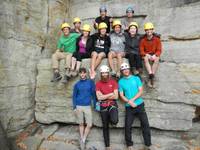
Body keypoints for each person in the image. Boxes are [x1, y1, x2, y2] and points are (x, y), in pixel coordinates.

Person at [118, 63, 156, 150]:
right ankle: (129, 145)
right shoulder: (120, 82)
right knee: (127, 126)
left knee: (145, 124)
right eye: (124, 70)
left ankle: (148, 144)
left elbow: (141, 91)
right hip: (129, 107)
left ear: (129, 69)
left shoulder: (136, 78)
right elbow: (121, 95)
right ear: (122, 71)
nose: (126, 71)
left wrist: (132, 100)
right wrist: (129, 102)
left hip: (139, 104)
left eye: (127, 69)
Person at [72, 67, 96, 150]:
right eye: (81, 73)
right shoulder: (77, 84)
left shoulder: (90, 82)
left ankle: (84, 138)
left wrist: (95, 104)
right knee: (81, 123)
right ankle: (82, 139)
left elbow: (93, 93)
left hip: (87, 106)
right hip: (79, 106)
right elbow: (74, 96)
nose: (82, 74)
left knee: (89, 124)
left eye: (84, 73)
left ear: (86, 74)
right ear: (79, 74)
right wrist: (74, 107)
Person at [95, 65, 118, 150]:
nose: (104, 74)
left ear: (108, 73)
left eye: (106, 73)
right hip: (103, 106)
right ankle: (107, 146)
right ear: (101, 74)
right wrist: (110, 94)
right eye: (103, 73)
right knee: (105, 126)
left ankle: (112, 121)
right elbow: (99, 98)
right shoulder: (98, 84)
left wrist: (104, 96)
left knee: (115, 120)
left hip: (112, 104)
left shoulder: (113, 82)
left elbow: (116, 97)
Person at [140, 22, 162, 88]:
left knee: (157, 58)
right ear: (145, 31)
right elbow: (141, 50)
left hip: (154, 54)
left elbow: (159, 50)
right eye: (147, 30)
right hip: (147, 54)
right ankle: (150, 73)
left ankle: (152, 75)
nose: (148, 31)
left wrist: (155, 55)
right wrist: (146, 54)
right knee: (146, 58)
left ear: (152, 30)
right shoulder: (143, 40)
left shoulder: (157, 40)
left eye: (150, 29)